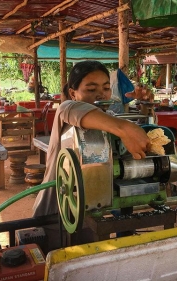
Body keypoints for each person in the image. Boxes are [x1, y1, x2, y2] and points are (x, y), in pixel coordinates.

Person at [32, 61, 152, 250]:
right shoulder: (66, 110)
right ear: (73, 93)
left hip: (90, 212)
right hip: (56, 212)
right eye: (91, 89)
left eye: (106, 88)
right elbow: (80, 113)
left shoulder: (109, 117)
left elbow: (132, 131)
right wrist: (124, 128)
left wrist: (145, 105)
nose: (101, 94)